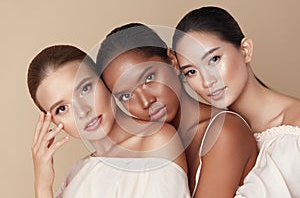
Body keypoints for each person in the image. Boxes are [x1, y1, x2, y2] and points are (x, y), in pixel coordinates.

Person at [96, 23, 258, 197]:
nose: (145, 102)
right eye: (126, 96)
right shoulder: (147, 150)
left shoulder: (224, 131)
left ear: (172, 62)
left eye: (149, 78)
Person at [27, 45, 190, 198]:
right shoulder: (76, 174)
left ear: (103, 80)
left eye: (85, 89)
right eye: (62, 109)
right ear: (52, 120)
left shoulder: (157, 140)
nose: (83, 111)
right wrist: (42, 186)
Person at [173, 6, 300, 198]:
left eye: (214, 59)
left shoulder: (293, 133)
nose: (207, 81)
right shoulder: (210, 135)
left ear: (246, 50)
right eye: (191, 71)